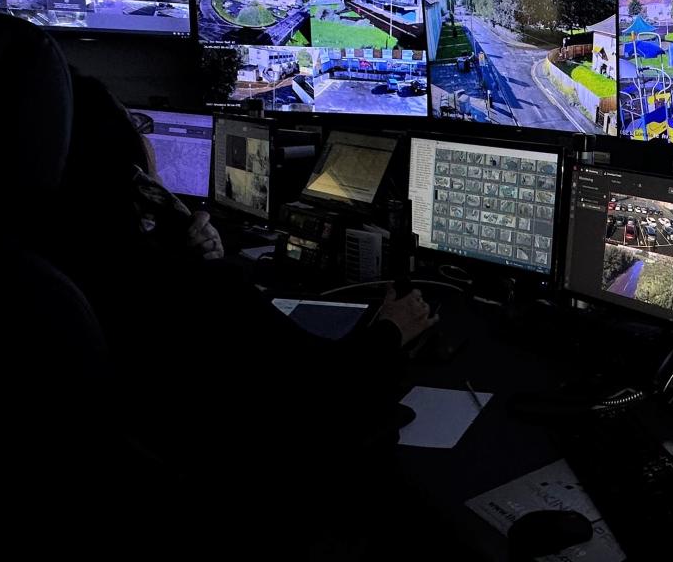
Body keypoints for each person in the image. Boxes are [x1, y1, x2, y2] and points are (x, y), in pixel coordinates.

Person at [36, 73, 439, 545]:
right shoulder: (196, 292)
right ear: (126, 167)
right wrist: (392, 328)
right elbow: (329, 388)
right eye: (137, 129)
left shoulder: (55, 267)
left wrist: (176, 242)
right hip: (257, 493)